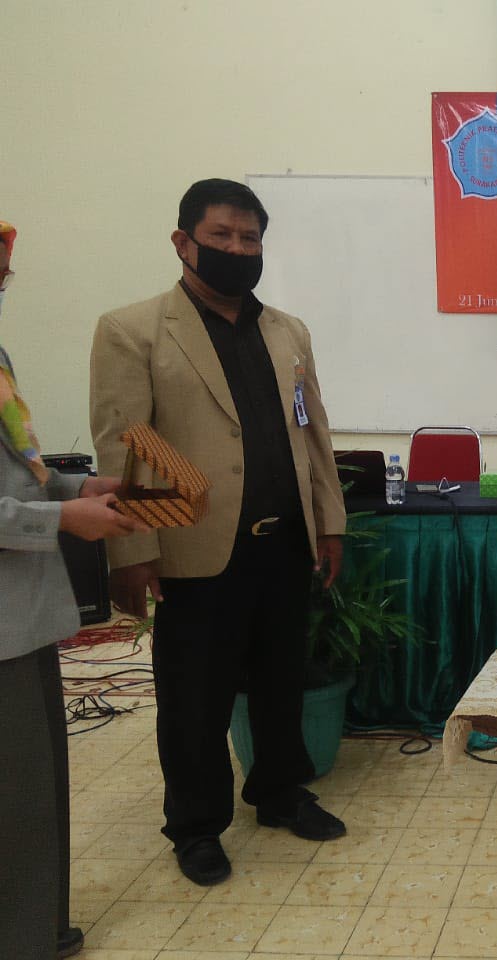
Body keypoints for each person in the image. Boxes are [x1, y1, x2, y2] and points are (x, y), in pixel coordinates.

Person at [89, 180, 348, 886]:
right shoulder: (134, 329)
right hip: (193, 547)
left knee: (281, 680)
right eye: (222, 236)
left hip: (284, 541)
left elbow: (312, 433)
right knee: (194, 697)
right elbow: (127, 446)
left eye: (249, 238)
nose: (238, 249)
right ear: (184, 242)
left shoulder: (288, 331)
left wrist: (330, 523)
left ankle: (280, 792)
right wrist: (132, 550)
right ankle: (197, 826)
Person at [1, 219, 146, 959]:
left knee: (37, 784)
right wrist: (65, 518)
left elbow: (18, 474)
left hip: (23, 616)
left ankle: (40, 929)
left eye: (4, 276)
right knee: (15, 793)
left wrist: (76, 486)